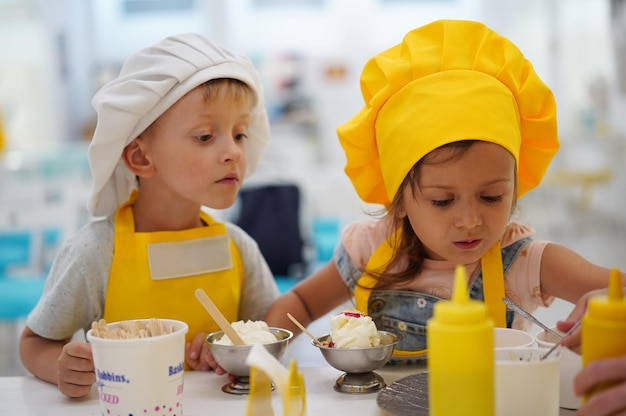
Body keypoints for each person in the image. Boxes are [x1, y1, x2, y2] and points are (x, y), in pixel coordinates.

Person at [264, 19, 626, 361]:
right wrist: (259, 348)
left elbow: (618, 290)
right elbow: (301, 303)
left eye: (491, 197)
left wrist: (610, 304)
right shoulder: (368, 252)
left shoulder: (524, 262)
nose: (470, 221)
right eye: (442, 200)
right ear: (399, 199)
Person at [19, 33, 279, 398]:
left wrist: (230, 350)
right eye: (205, 136)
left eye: (240, 134)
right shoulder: (95, 252)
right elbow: (34, 342)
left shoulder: (239, 248)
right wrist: (63, 368)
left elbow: (270, 332)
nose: (233, 151)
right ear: (141, 157)